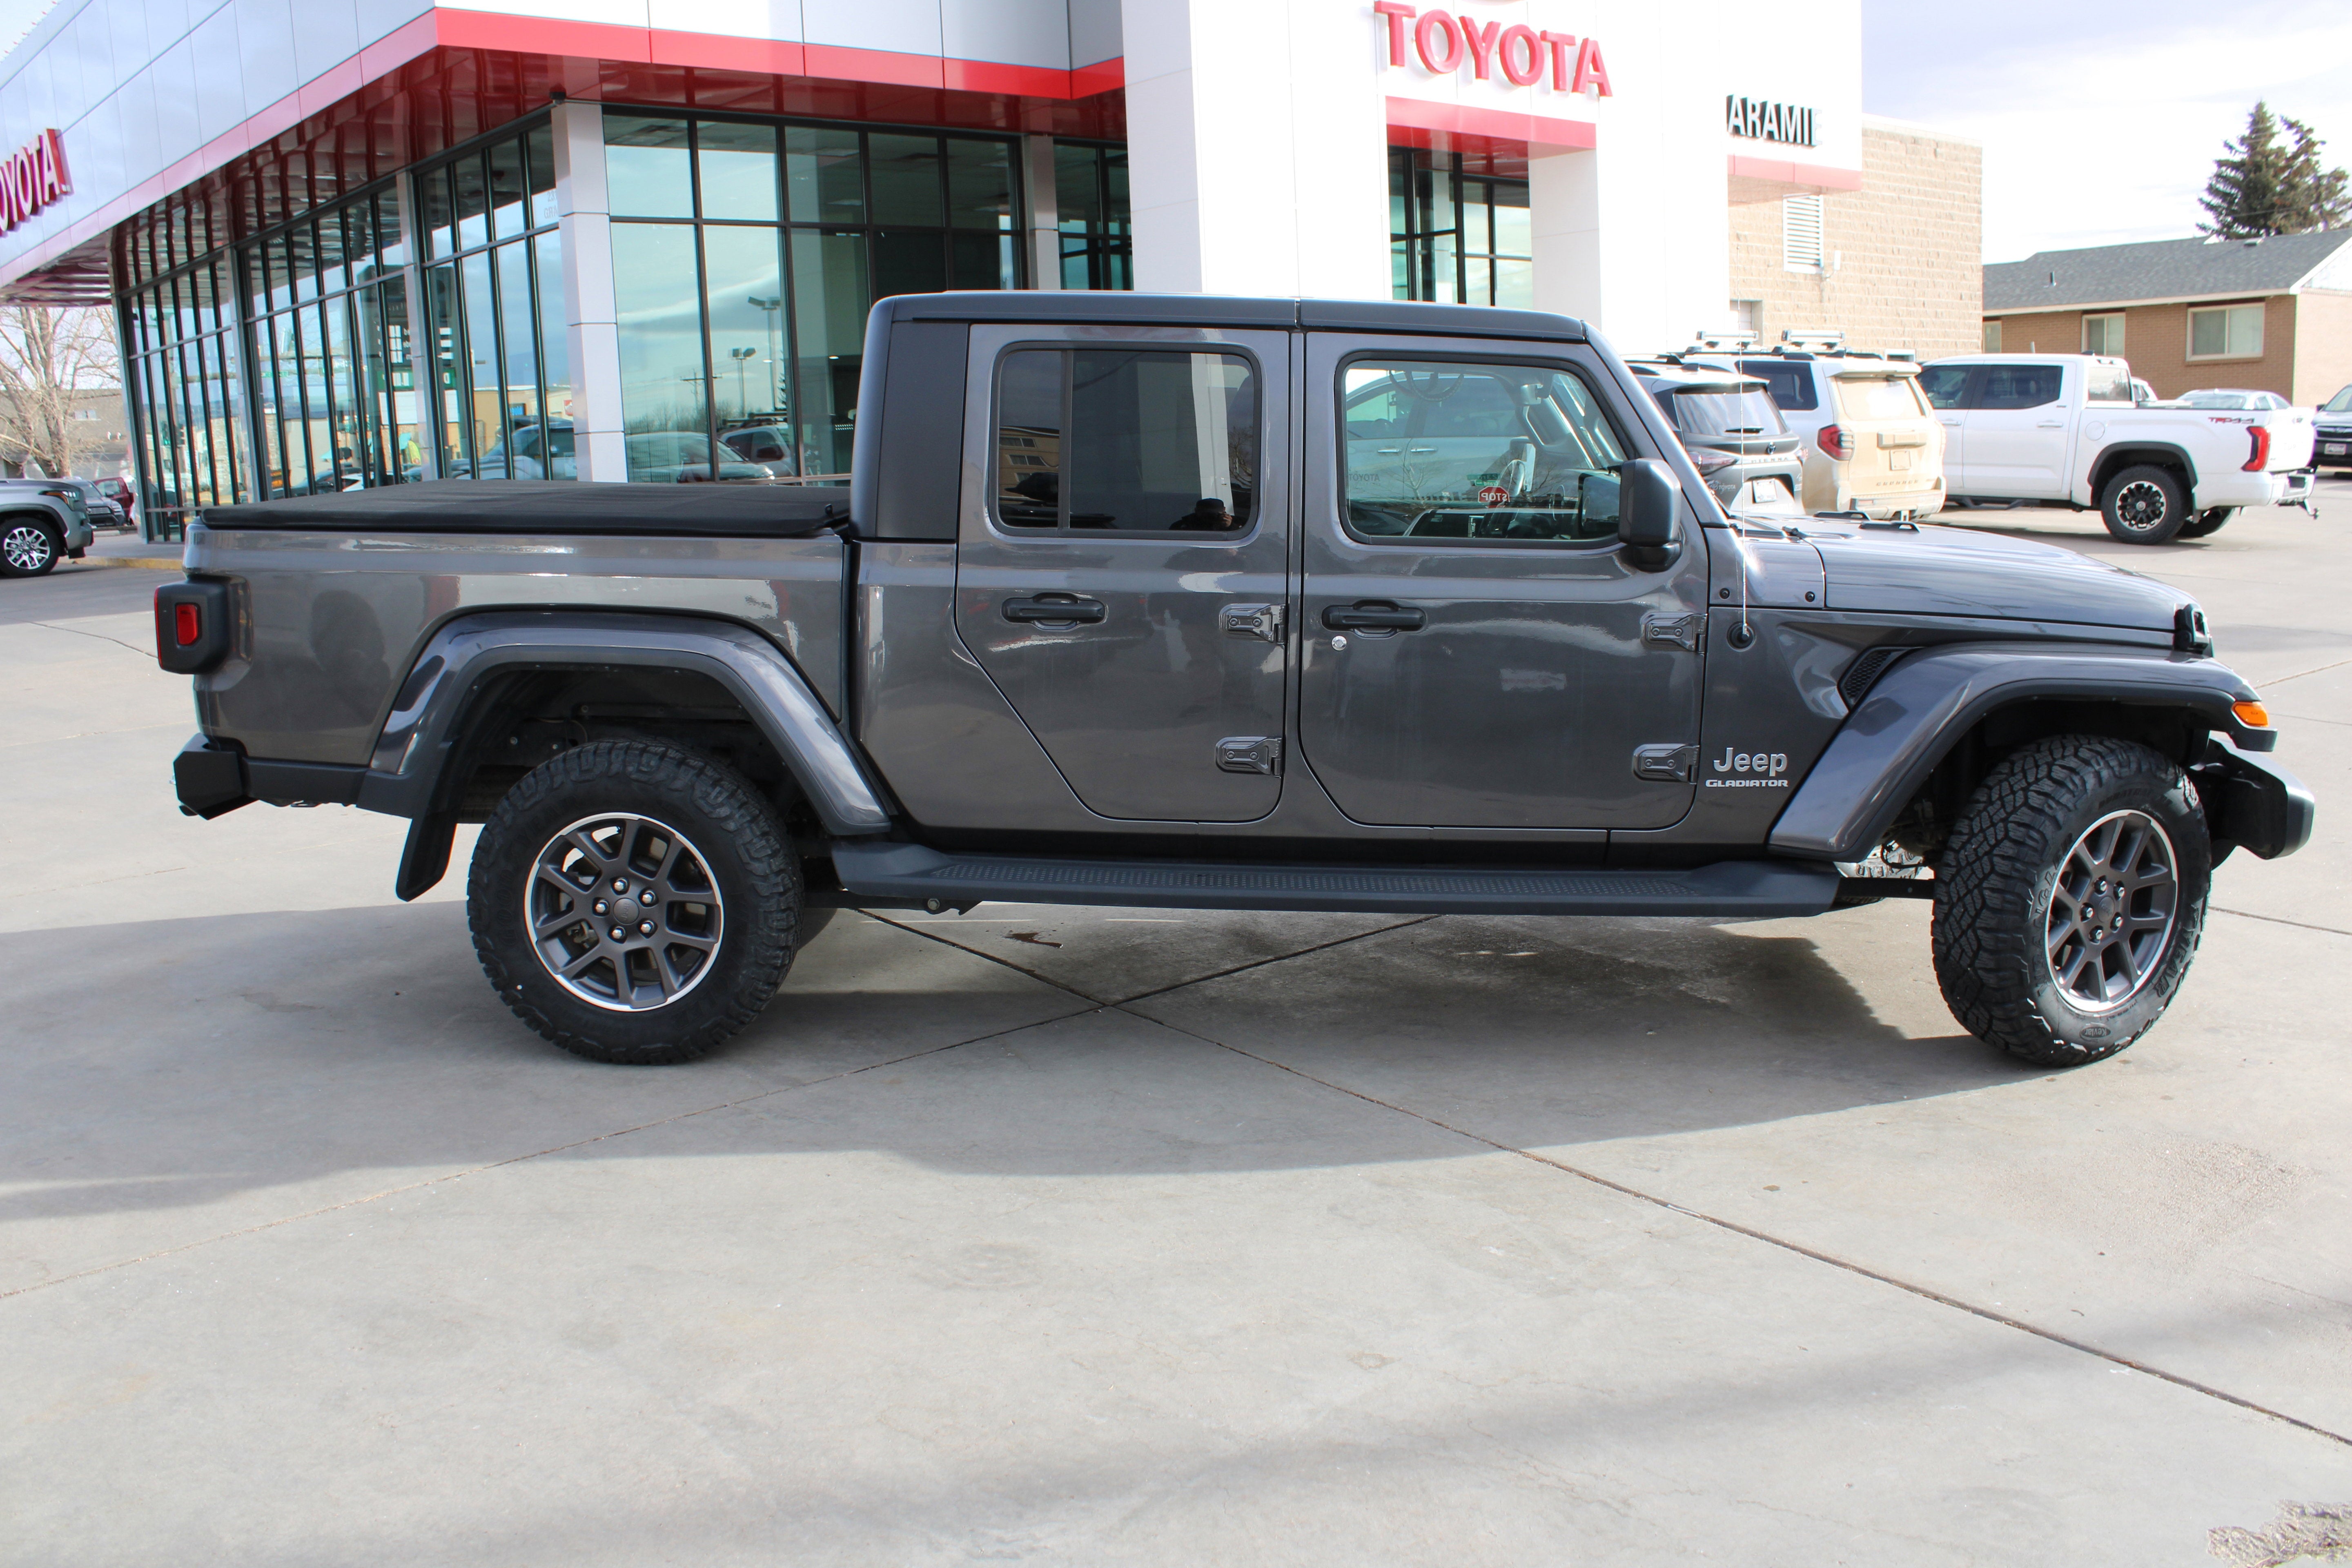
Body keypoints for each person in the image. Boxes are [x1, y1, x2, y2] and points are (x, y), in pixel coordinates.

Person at [1171, 497, 1242, 531]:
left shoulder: (1235, 523)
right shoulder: (1184, 525)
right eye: (1206, 513)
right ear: (1196, 511)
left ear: (1224, 510)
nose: (1210, 516)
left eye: (1215, 513)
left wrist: (1230, 526)